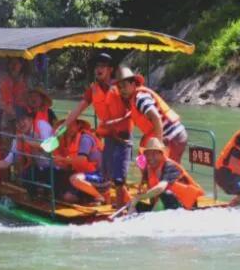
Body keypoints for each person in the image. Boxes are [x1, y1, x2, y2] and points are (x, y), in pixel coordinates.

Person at [65, 53, 129, 205]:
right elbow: (78, 109)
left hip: (123, 137)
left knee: (120, 178)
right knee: (107, 175)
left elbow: (133, 108)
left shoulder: (121, 87)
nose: (98, 69)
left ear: (110, 69)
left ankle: (123, 210)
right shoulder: (93, 90)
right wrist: (62, 128)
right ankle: (107, 202)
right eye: (97, 66)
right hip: (108, 137)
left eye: (102, 66)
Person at [114, 66, 188, 164]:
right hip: (169, 136)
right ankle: (147, 178)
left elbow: (156, 117)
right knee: (143, 162)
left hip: (173, 136)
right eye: (119, 87)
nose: (122, 90)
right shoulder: (133, 100)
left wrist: (158, 145)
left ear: (133, 84)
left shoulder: (140, 98)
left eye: (124, 85)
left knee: (168, 169)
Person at [0, 108, 53, 195]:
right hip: (40, 169)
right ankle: (37, 197)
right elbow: (7, 162)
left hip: (54, 168)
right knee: (25, 175)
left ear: (30, 119)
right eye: (17, 122)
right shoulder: (18, 138)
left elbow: (48, 146)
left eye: (23, 119)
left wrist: (27, 140)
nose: (21, 124)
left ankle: (49, 193)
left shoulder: (42, 126)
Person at [133, 137, 205, 212]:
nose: (150, 157)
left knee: (165, 194)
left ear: (161, 154)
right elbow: (149, 193)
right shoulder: (149, 169)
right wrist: (135, 200)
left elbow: (160, 188)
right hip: (164, 204)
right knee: (136, 205)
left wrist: (139, 197)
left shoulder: (170, 166)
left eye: (154, 154)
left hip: (186, 206)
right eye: (148, 154)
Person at [52, 119, 108, 204]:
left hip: (101, 178)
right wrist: (59, 162)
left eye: (72, 125)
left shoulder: (85, 139)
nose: (68, 128)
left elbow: (81, 160)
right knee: (68, 197)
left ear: (78, 126)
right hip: (85, 178)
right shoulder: (69, 142)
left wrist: (63, 160)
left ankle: (100, 197)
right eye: (66, 126)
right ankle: (90, 197)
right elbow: (69, 165)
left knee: (75, 179)